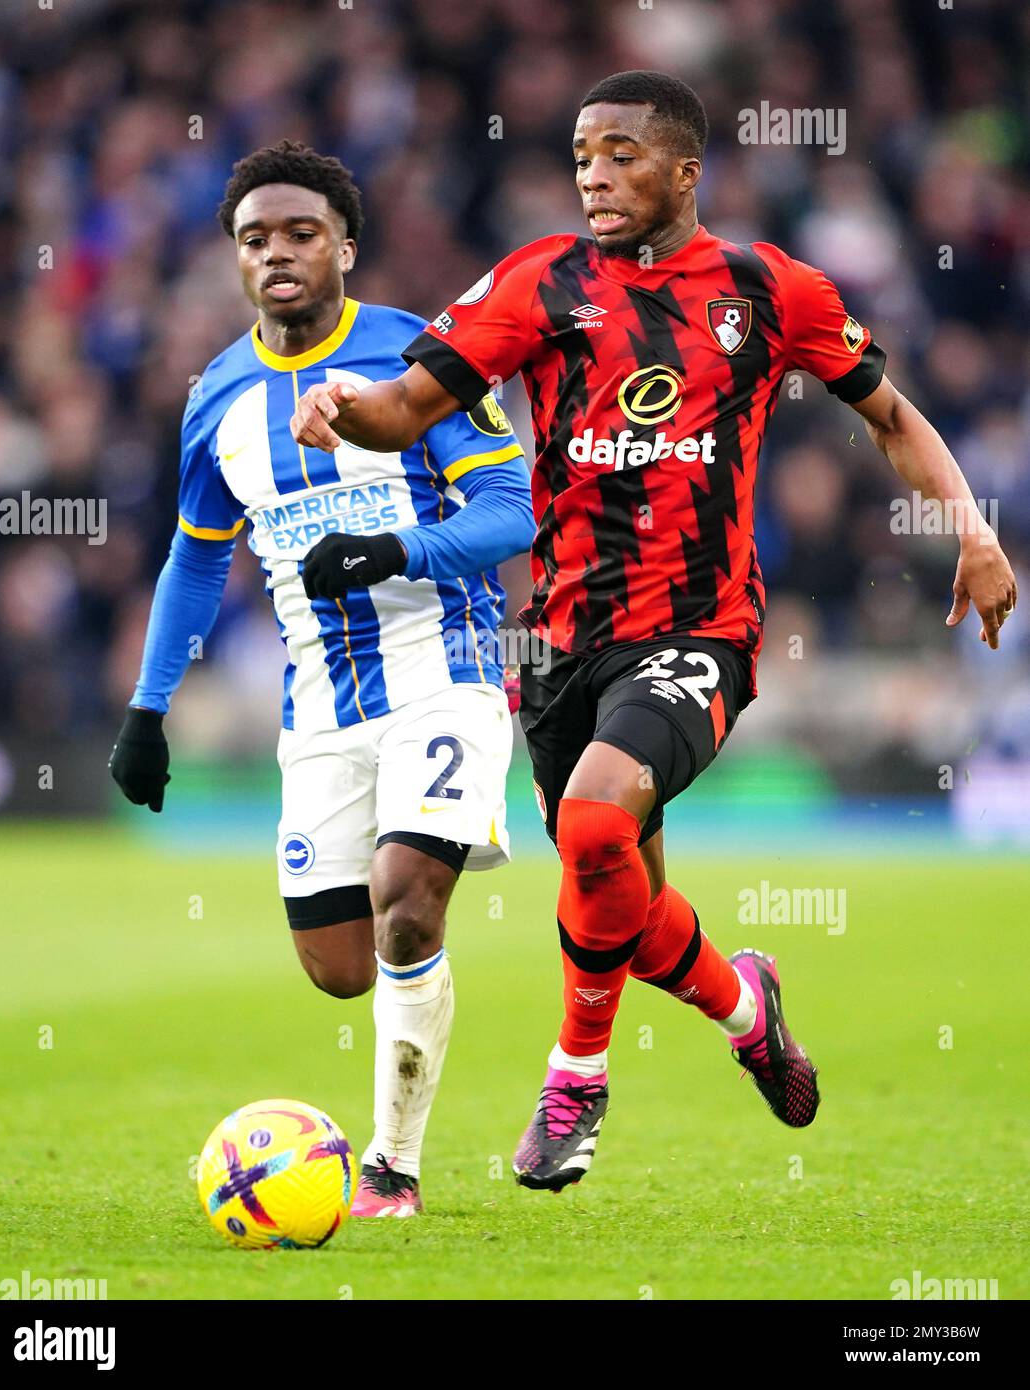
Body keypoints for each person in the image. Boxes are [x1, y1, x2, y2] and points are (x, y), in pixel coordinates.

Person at [288, 73, 1018, 1191]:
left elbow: (891, 415)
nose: (594, 174)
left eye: (621, 153)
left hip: (699, 627)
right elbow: (405, 411)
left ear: (685, 170)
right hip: (559, 640)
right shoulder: (539, 282)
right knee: (619, 900)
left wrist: (969, 529)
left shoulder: (769, 288)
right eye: (582, 154)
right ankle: (744, 1004)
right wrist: (343, 402)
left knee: (590, 824)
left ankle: (574, 1081)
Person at [109, 141, 535, 1216]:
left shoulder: (421, 355)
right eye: (255, 239)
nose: (278, 253)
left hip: (447, 674)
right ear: (236, 261)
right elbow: (197, 558)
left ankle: (392, 1167)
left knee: (405, 903)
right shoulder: (216, 397)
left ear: (344, 244)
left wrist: (398, 552)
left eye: (300, 233)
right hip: (321, 709)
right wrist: (148, 708)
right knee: (340, 966)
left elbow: (509, 512)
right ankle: (408, 996)